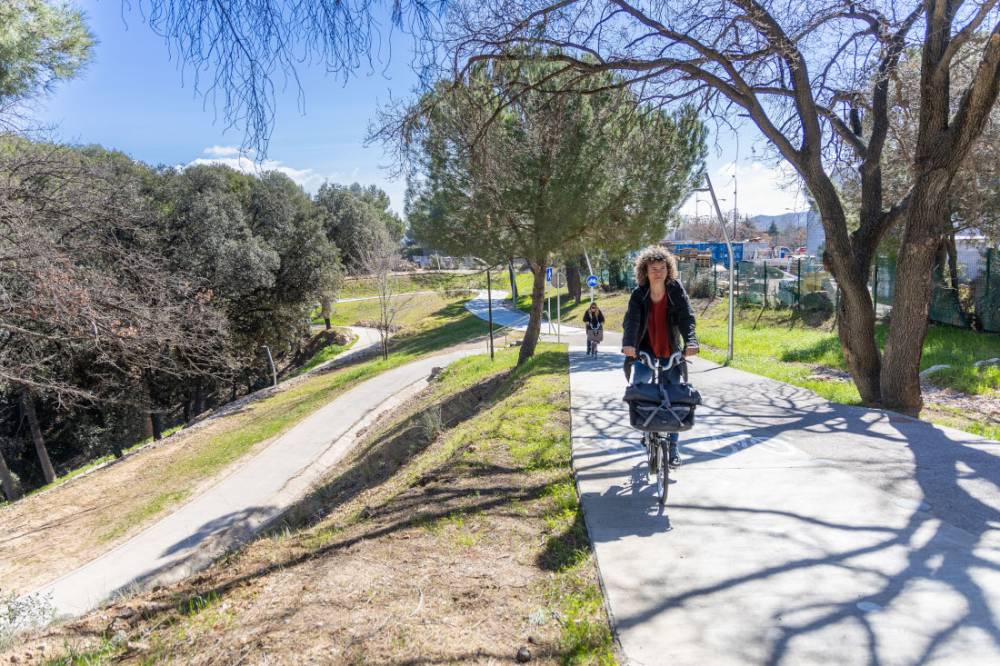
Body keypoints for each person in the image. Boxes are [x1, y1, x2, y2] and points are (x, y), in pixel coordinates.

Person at [621, 245, 699, 466]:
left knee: (674, 399)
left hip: (671, 350)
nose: (658, 272)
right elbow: (632, 321)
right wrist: (629, 345)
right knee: (638, 386)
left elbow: (686, 317)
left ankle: (673, 448)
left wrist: (691, 341)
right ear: (645, 271)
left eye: (662, 268)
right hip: (645, 350)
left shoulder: (675, 290)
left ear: (669, 270)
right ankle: (645, 427)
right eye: (653, 268)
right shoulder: (639, 294)